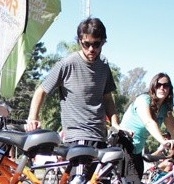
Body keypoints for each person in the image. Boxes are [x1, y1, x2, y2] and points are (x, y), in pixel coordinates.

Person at [25, 17, 120, 149]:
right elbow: (41, 91)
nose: (91, 49)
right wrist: (32, 118)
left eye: (96, 44)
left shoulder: (103, 66)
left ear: (103, 42)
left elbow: (107, 99)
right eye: (86, 44)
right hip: (77, 138)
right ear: (79, 41)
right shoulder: (68, 64)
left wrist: (115, 125)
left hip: (100, 138)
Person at [118, 73, 174, 184]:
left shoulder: (164, 109)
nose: (162, 88)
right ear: (153, 87)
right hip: (123, 145)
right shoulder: (144, 100)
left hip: (136, 151)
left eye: (165, 85)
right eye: (158, 85)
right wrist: (164, 141)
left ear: (170, 89)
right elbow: (149, 122)